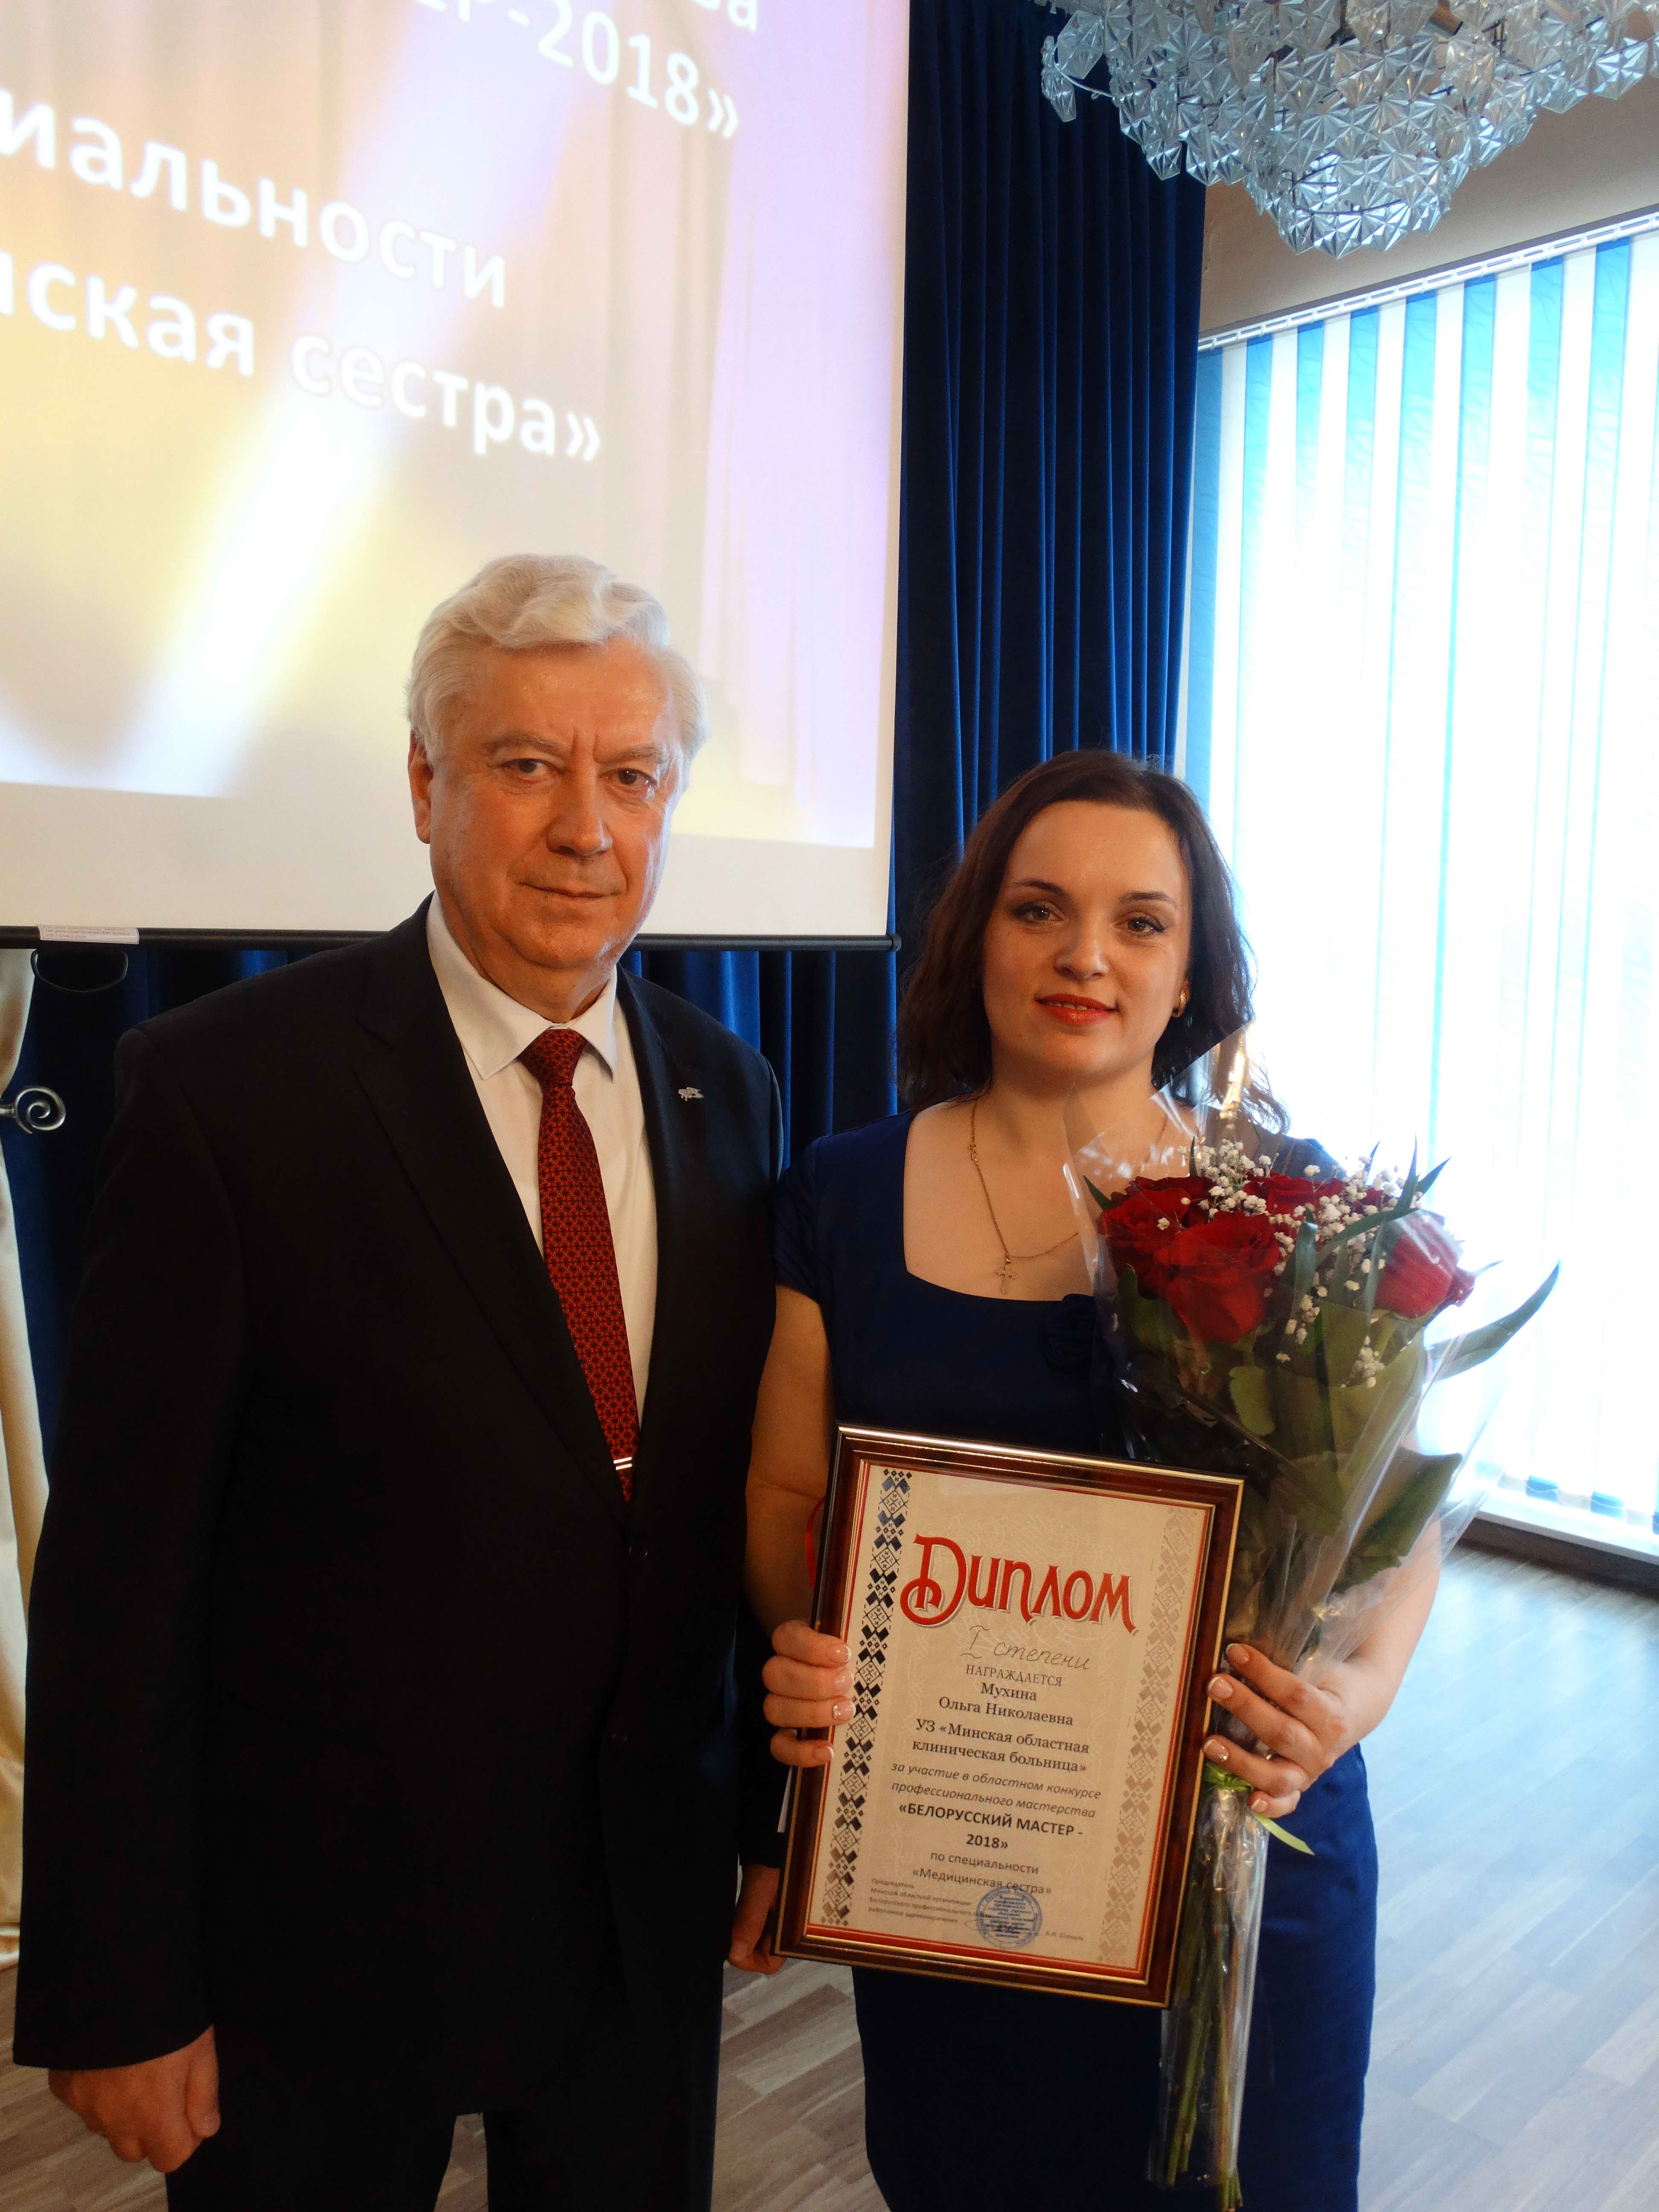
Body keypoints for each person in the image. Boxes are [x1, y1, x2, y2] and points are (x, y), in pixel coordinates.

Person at [16, 554, 786, 2211]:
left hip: (635, 1917)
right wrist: (116, 1979)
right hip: (313, 1939)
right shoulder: (227, 1089)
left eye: (633, 775)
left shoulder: (731, 1090)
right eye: (527, 765)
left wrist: (772, 1824)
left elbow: (709, 1517)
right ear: (426, 786)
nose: (586, 827)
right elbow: (119, 1575)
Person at [733, 750, 1439, 2212]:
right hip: (959, 1843)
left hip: (1243, 1854)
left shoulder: (1292, 1206)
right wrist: (817, 1639)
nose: (1086, 956)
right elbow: (789, 1497)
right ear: (977, 938)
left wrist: (1344, 1710)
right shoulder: (842, 1192)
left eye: (1140, 922)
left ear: (1190, 972)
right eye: (1039, 909)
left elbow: (1394, 1531)